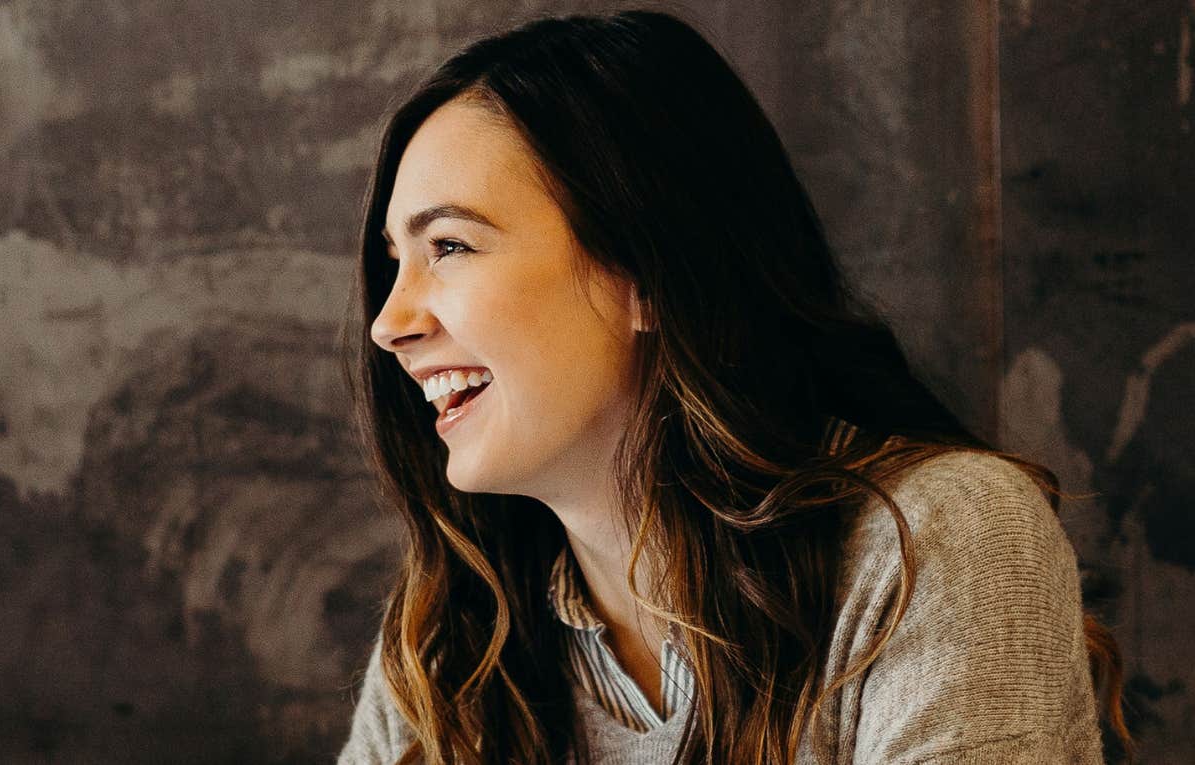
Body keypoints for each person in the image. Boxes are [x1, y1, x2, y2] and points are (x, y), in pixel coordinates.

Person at [336, 9, 1134, 765]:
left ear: (648, 273)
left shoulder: (931, 544)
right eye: (394, 262)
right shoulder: (452, 638)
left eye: (449, 245)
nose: (390, 322)